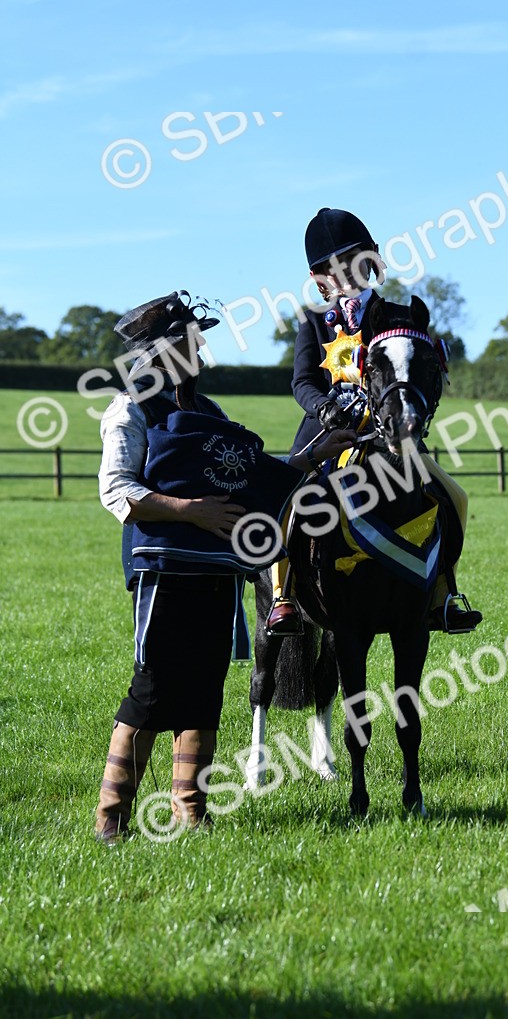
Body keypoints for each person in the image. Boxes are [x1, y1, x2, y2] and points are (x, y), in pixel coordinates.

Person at [94, 291, 352, 844]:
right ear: (165, 352)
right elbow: (117, 491)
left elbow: (250, 473)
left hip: (218, 568)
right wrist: (192, 510)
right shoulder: (131, 409)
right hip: (163, 569)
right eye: (194, 338)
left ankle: (192, 809)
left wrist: (313, 454)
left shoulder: (210, 415)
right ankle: (112, 818)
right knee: (154, 685)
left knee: (207, 686)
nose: (204, 346)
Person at [266, 208, 482, 636]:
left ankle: (443, 594)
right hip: (328, 430)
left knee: (454, 497)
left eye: (357, 259)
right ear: (321, 275)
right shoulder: (312, 321)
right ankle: (283, 597)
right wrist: (324, 407)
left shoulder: (398, 314)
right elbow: (302, 380)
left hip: (389, 429)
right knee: (287, 502)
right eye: (336, 266)